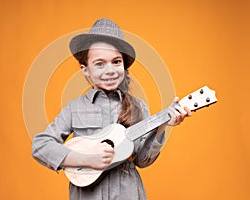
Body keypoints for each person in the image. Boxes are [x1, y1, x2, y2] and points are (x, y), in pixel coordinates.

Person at [32, 18, 191, 200]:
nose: (110, 70)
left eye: (116, 62)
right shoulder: (74, 108)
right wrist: (85, 160)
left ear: (123, 65)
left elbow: (143, 160)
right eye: (99, 64)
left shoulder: (138, 107)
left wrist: (163, 126)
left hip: (128, 193)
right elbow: (40, 146)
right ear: (85, 70)